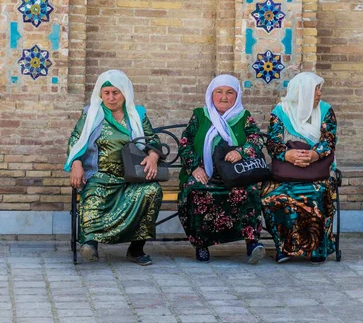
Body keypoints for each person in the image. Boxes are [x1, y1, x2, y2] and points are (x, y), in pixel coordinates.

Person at [65, 70, 163, 266]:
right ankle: (90, 243)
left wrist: (153, 156)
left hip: (131, 176)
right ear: (100, 93)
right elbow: (76, 139)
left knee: (152, 191)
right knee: (93, 195)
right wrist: (76, 163)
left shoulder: (137, 114)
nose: (110, 98)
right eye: (106, 92)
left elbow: (153, 139)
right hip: (99, 174)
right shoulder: (91, 114)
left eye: (115, 93)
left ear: (125, 92)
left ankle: (136, 249)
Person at [177, 74, 265, 264]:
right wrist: (194, 168)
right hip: (204, 173)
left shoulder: (244, 116)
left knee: (249, 191)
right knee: (195, 190)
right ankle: (201, 245)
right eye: (219, 92)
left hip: (235, 174)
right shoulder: (200, 115)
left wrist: (242, 152)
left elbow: (256, 139)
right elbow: (185, 143)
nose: (224, 97)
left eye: (229, 92)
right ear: (211, 94)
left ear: (237, 95)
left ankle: (252, 244)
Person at [261, 72, 338, 264]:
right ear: (301, 91)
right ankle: (284, 248)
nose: (320, 93)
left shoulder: (326, 111)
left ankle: (316, 250)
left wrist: (313, 155)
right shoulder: (281, 111)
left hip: (316, 171)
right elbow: (273, 141)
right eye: (316, 89)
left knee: (316, 193)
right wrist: (287, 155)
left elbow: (329, 140)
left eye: (320, 89)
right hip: (286, 171)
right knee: (270, 195)